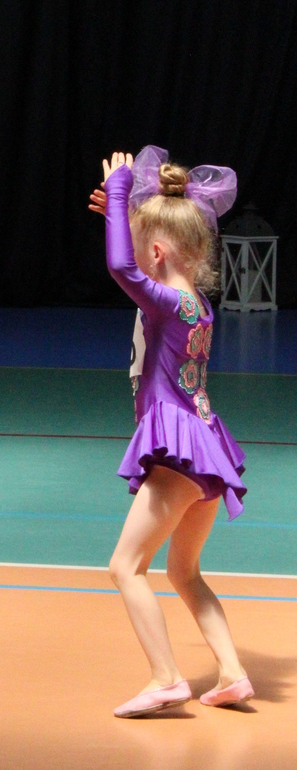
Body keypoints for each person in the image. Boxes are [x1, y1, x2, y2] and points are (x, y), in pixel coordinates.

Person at [89, 147, 252, 717]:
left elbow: (121, 268)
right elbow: (138, 259)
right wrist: (119, 215)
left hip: (179, 454)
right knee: (184, 572)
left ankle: (166, 678)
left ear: (156, 253)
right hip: (207, 449)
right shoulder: (197, 304)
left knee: (125, 568)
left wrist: (118, 197)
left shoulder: (165, 303)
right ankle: (231, 673)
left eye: (140, 244)